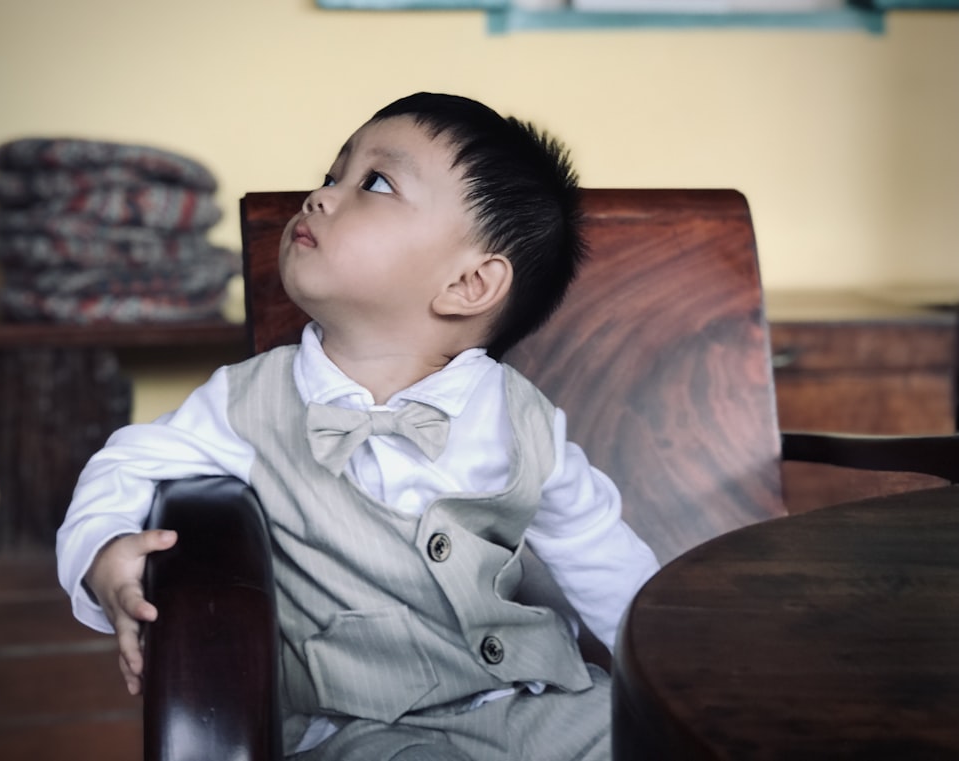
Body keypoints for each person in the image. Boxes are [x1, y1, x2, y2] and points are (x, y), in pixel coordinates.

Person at [56, 92, 660, 760]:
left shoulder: (522, 419)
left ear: (468, 284)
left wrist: (673, 670)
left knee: (648, 736)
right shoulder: (246, 399)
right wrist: (101, 554)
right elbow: (126, 462)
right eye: (331, 174)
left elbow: (602, 555)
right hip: (362, 727)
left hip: (534, 699)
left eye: (375, 182)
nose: (319, 197)